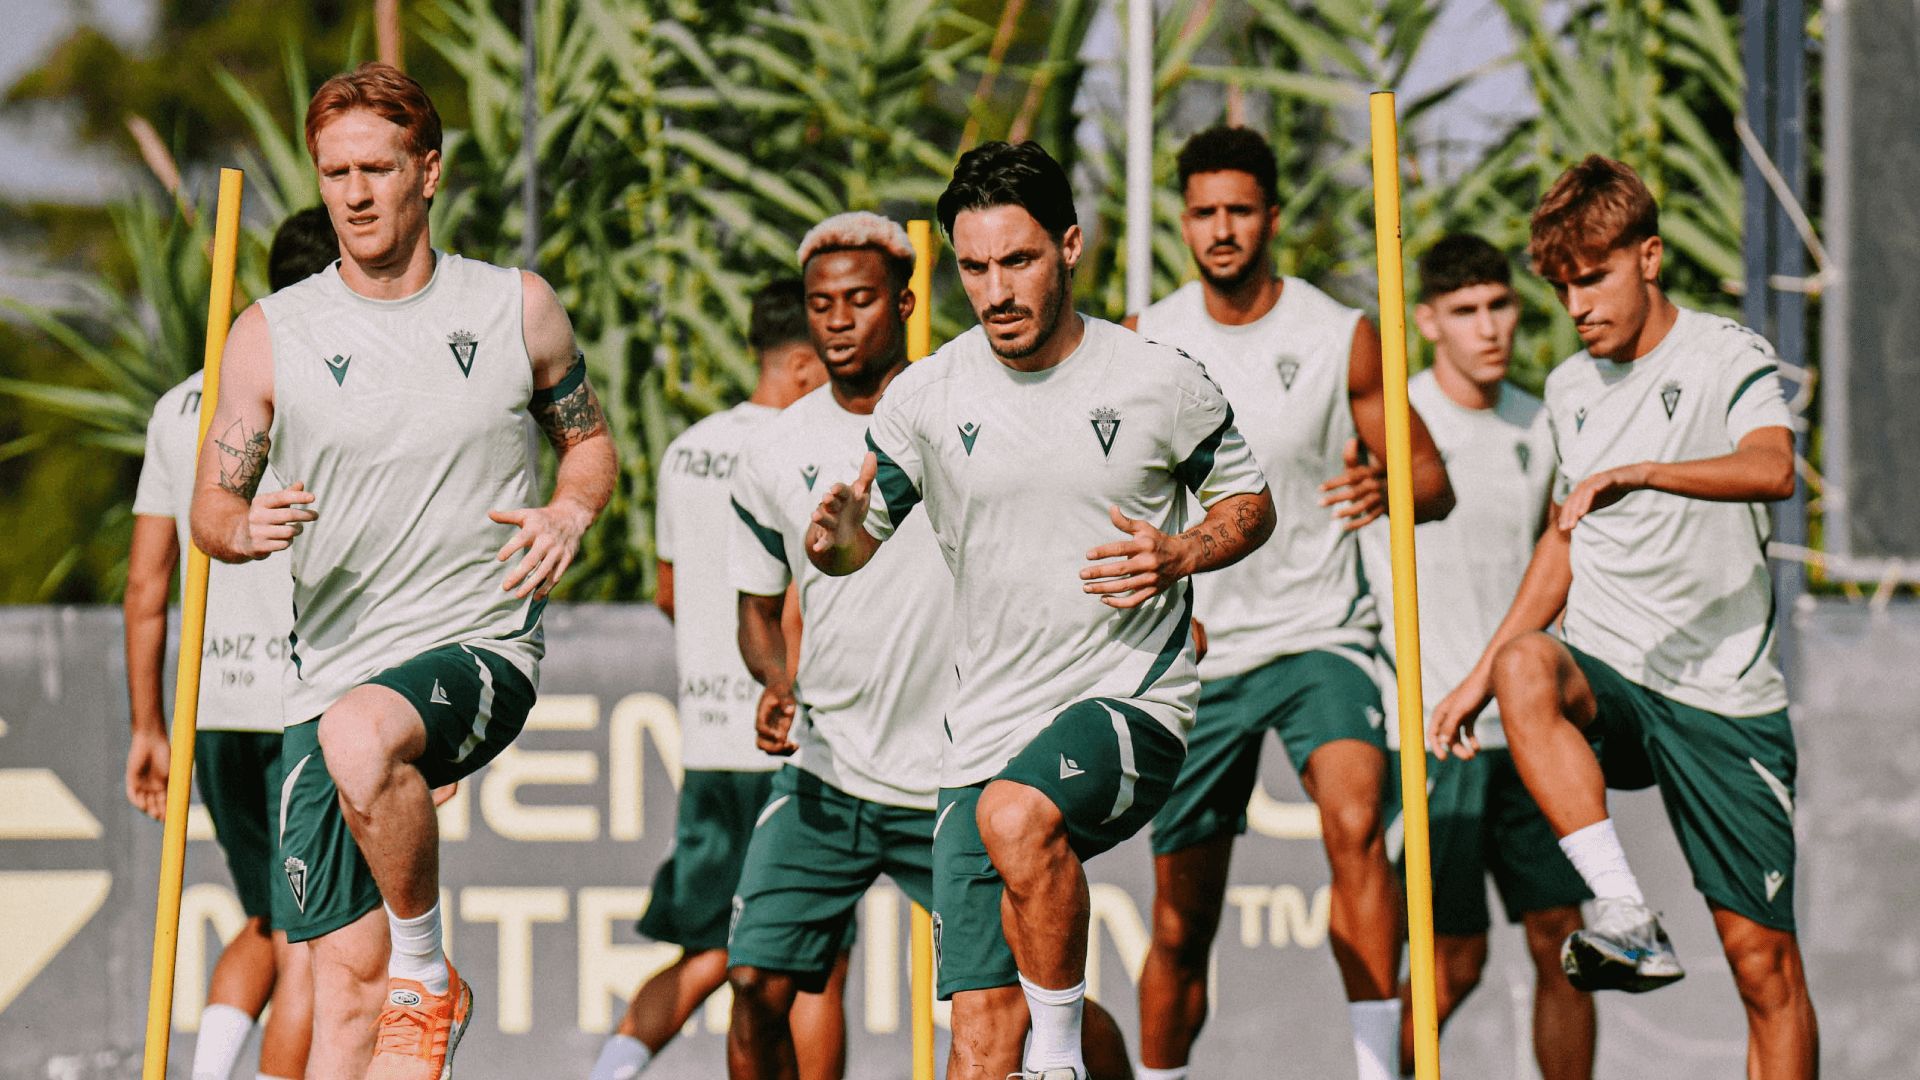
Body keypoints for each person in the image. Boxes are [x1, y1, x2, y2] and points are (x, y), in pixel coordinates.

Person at [808, 141, 1275, 1080]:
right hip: (979, 733)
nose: (995, 292)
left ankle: (1057, 1062)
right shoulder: (927, 395)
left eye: (1017, 261)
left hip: (1130, 699)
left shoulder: (1157, 378)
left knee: (1021, 819)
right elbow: (857, 545)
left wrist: (1183, 550)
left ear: (1069, 247)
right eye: (974, 268)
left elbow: (1251, 505)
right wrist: (835, 538)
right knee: (978, 1039)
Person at [189, 63, 616, 1080]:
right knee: (344, 993)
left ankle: (431, 972)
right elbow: (211, 506)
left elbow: (589, 444)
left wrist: (570, 508)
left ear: (429, 169)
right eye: (334, 171)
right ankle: (407, 987)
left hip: (478, 645)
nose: (354, 192)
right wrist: (239, 529)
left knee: (363, 738)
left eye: (377, 166)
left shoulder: (516, 306)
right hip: (325, 676)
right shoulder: (272, 334)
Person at [1428, 155, 1818, 1077]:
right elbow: (1561, 543)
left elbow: (1773, 469)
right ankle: (1624, 912)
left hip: (1722, 697)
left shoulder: (1727, 355)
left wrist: (1642, 470)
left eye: (1593, 277)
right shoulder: (1568, 389)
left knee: (1765, 969)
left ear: (1648, 258)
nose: (1577, 306)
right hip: (1611, 682)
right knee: (1527, 662)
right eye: (1562, 286)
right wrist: (1476, 680)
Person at [1127, 125, 1452, 1080]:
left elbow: (1431, 478)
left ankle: (1374, 1069)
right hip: (1200, 651)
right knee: (1182, 919)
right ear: (1183, 222)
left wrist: (1393, 488)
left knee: (1354, 825)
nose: (1221, 229)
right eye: (1203, 213)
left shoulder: (1336, 332)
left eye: (1238, 210)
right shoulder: (1150, 338)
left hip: (1321, 636)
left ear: (1272, 216)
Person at [722, 211, 953, 1080]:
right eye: (823, 304)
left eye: (860, 300)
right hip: (829, 771)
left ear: (903, 301)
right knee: (752, 987)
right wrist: (776, 681)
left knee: (1033, 999)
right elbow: (754, 608)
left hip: (956, 776)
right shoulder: (770, 451)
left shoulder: (958, 413)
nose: (839, 320)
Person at [1357, 234, 1593, 1080]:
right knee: (1452, 961)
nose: (1487, 327)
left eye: (1499, 306)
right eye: (1465, 311)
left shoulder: (1544, 423)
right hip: (1429, 740)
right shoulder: (1391, 421)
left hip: (1531, 737)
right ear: (1428, 322)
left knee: (1565, 942)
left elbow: (1555, 567)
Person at [590, 280, 839, 1080]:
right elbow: (797, 601)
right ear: (805, 364)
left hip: (709, 740)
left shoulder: (686, 451)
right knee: (814, 963)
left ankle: (609, 1070)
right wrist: (784, 684)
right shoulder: (806, 449)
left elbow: (670, 593)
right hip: (790, 741)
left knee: (712, 951)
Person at [124, 205, 336, 1080]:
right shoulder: (335, 392)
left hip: (212, 712)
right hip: (309, 710)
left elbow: (146, 585)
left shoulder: (183, 402)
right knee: (310, 947)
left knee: (265, 918)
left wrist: (149, 725)